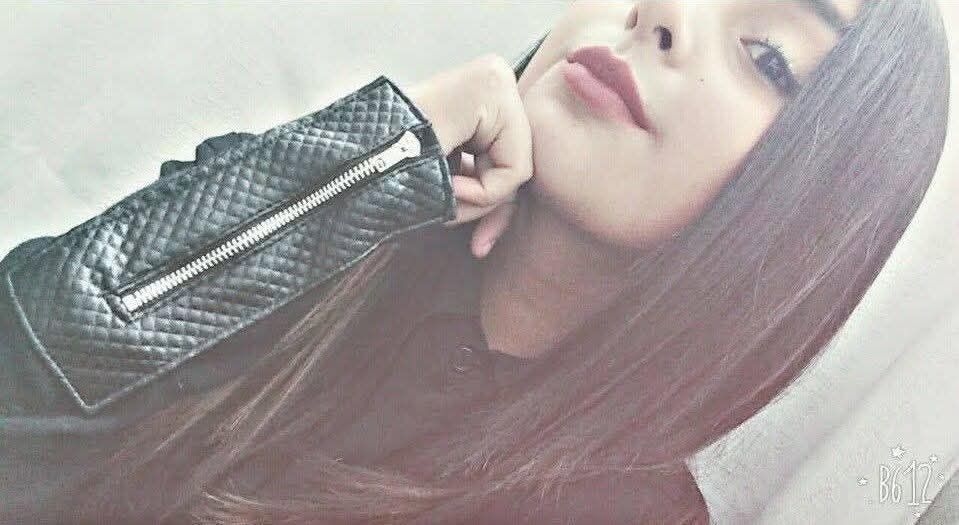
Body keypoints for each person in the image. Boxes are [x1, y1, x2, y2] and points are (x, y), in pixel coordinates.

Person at [0, 1, 950, 523]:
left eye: (768, 57)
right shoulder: (313, 217)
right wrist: (366, 162)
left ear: (807, 215)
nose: (664, 13)